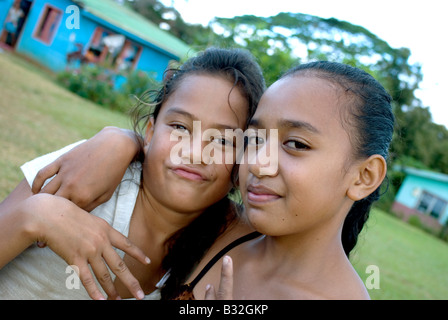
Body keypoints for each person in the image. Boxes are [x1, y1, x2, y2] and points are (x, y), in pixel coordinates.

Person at [33, 60, 394, 300]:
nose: (259, 163)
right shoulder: (227, 232)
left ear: (364, 176)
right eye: (253, 139)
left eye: (296, 144)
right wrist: (120, 139)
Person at [0, 47, 265, 300]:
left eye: (222, 141)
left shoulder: (229, 239)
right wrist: (35, 215)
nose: (195, 152)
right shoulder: (89, 170)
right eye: (180, 127)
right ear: (149, 132)